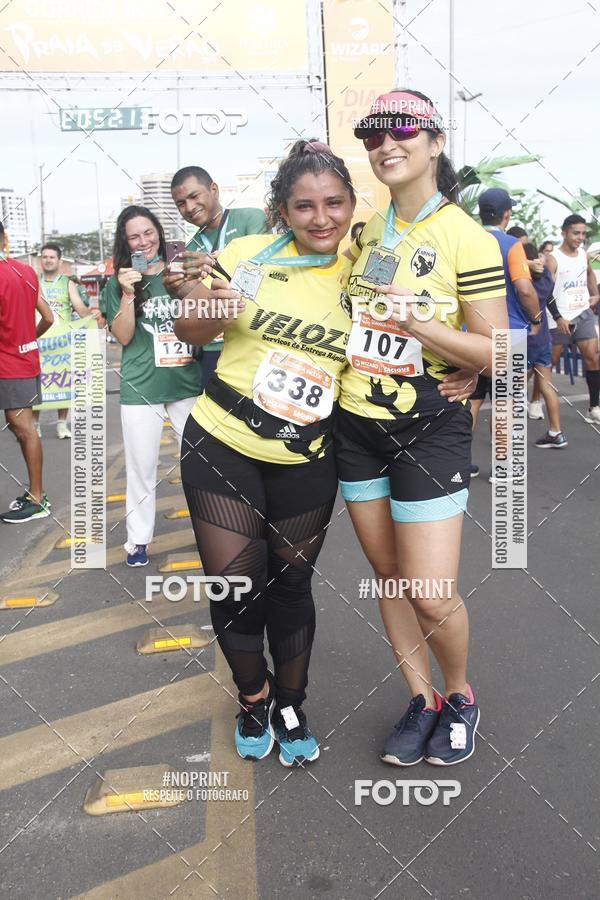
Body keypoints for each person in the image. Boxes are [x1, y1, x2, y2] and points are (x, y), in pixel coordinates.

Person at [174, 140, 359, 768]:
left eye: (334, 203)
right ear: (281, 210)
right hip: (223, 440)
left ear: (351, 205)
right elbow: (189, 329)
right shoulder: (246, 257)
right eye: (303, 206)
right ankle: (252, 699)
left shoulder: (363, 269)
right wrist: (208, 307)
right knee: (236, 585)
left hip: (306, 453)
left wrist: (468, 372)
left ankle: (290, 701)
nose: (321, 217)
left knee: (292, 583)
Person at [337, 89, 508, 767]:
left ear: (435, 141)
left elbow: (499, 349)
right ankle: (421, 697)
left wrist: (425, 328)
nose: (385, 145)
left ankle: (460, 694)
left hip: (428, 429)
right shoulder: (368, 233)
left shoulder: (466, 235)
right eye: (372, 136)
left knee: (431, 593)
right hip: (357, 424)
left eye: (400, 130)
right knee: (387, 575)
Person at [105, 206, 200, 567]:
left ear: (159, 232)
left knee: (200, 465)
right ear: (125, 242)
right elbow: (123, 335)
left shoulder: (180, 271)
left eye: (149, 232)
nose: (143, 240)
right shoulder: (119, 282)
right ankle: (138, 541)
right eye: (134, 236)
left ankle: (210, 533)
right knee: (141, 468)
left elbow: (203, 316)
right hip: (141, 388)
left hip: (186, 383)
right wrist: (128, 294)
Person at [169, 166, 267, 388]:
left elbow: (263, 274)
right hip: (212, 347)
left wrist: (219, 265)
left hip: (254, 339)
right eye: (181, 203)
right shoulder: (190, 248)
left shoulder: (250, 217)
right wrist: (177, 288)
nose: (189, 207)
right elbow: (194, 302)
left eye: (194, 196)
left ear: (214, 189)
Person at [469, 188, 541, 474]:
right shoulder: (512, 244)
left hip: (470, 334)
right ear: (507, 214)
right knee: (504, 403)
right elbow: (524, 288)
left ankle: (461, 464)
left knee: (471, 401)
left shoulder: (468, 241)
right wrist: (535, 318)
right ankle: (501, 467)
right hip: (508, 334)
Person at [0, 222, 54, 523]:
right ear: (5, 238)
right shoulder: (25, 272)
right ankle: (35, 495)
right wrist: (27, 339)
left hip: (9, 365)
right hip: (24, 361)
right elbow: (48, 317)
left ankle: (37, 498)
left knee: (23, 429)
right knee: (23, 428)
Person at [34, 243, 99, 438]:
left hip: (62, 342)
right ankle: (34, 424)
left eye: (52, 257)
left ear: (59, 261)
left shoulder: (67, 283)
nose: (48, 260)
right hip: (38, 339)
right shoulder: (33, 281)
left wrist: (91, 318)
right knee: (38, 383)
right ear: (40, 260)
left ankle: (62, 424)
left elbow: (79, 307)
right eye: (44, 257)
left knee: (63, 383)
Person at [546, 214, 600, 423]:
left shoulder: (584, 255)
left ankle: (594, 407)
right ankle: (532, 400)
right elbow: (546, 291)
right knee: (548, 363)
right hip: (559, 319)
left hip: (583, 313)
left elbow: (588, 274)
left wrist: (595, 293)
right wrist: (558, 317)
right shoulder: (554, 259)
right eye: (576, 233)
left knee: (593, 358)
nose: (580, 237)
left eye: (583, 234)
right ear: (564, 233)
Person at [522, 242, 567, 447]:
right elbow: (550, 299)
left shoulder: (521, 281)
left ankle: (511, 438)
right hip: (543, 340)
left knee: (513, 391)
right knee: (547, 385)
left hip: (523, 338)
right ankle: (556, 432)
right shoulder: (547, 277)